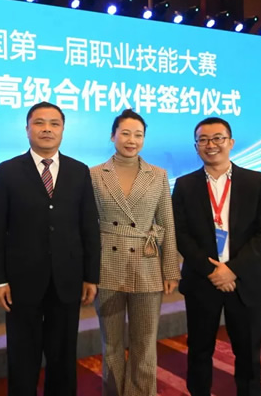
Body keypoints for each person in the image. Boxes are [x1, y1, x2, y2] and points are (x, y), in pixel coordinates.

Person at [0, 101, 100, 396]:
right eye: (39, 123)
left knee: (63, 356)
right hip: (21, 281)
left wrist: (91, 276)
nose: (47, 129)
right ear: (27, 129)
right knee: (22, 356)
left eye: (54, 123)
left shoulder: (79, 171)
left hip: (67, 278)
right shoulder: (7, 171)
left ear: (63, 129)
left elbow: (89, 227)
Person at [172, 117, 261, 396]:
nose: (211, 145)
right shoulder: (184, 185)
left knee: (248, 353)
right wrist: (212, 272)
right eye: (203, 140)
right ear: (196, 146)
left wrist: (233, 270)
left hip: (245, 281)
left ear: (231, 142)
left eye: (218, 138)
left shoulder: (256, 181)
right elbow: (180, 234)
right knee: (199, 350)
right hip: (202, 281)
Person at [89, 109, 181, 396]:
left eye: (138, 135)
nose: (132, 140)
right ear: (112, 136)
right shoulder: (94, 174)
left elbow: (167, 223)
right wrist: (87, 272)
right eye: (125, 133)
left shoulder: (158, 175)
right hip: (107, 265)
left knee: (145, 343)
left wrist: (170, 270)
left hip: (147, 264)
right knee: (112, 345)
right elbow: (87, 226)